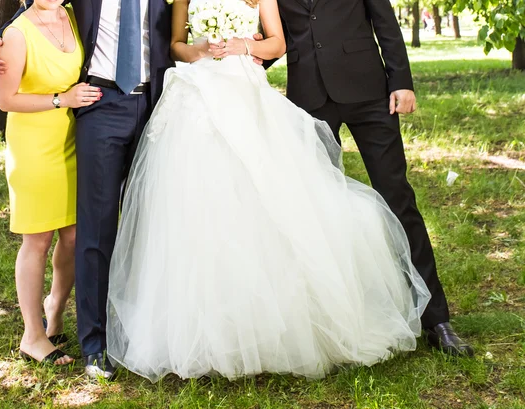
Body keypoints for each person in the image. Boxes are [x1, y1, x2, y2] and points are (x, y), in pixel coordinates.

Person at [105, 0, 431, 382]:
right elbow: (180, 43)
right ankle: (213, 326)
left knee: (303, 199)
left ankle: (431, 317)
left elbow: (285, 41)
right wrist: (204, 54)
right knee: (206, 202)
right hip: (222, 93)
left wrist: (245, 47)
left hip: (302, 89)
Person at [271, 0, 473, 355]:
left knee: (398, 199)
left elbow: (386, 22)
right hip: (309, 99)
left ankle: (437, 319)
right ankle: (333, 322)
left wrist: (401, 82)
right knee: (316, 208)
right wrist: (234, 50)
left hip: (369, 93)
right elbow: (275, 37)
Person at [0, 0, 174, 378]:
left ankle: (143, 330)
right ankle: (95, 344)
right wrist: (0, 37)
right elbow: (37, 8)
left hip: (154, 105)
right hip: (99, 105)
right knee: (95, 226)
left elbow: (174, 33)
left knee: (148, 223)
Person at [0, 0, 100, 365]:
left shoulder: (73, 14)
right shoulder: (16, 34)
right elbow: (5, 99)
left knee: (72, 235)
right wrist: (61, 99)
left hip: (71, 139)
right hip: (34, 147)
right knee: (37, 240)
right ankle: (32, 336)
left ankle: (53, 311)